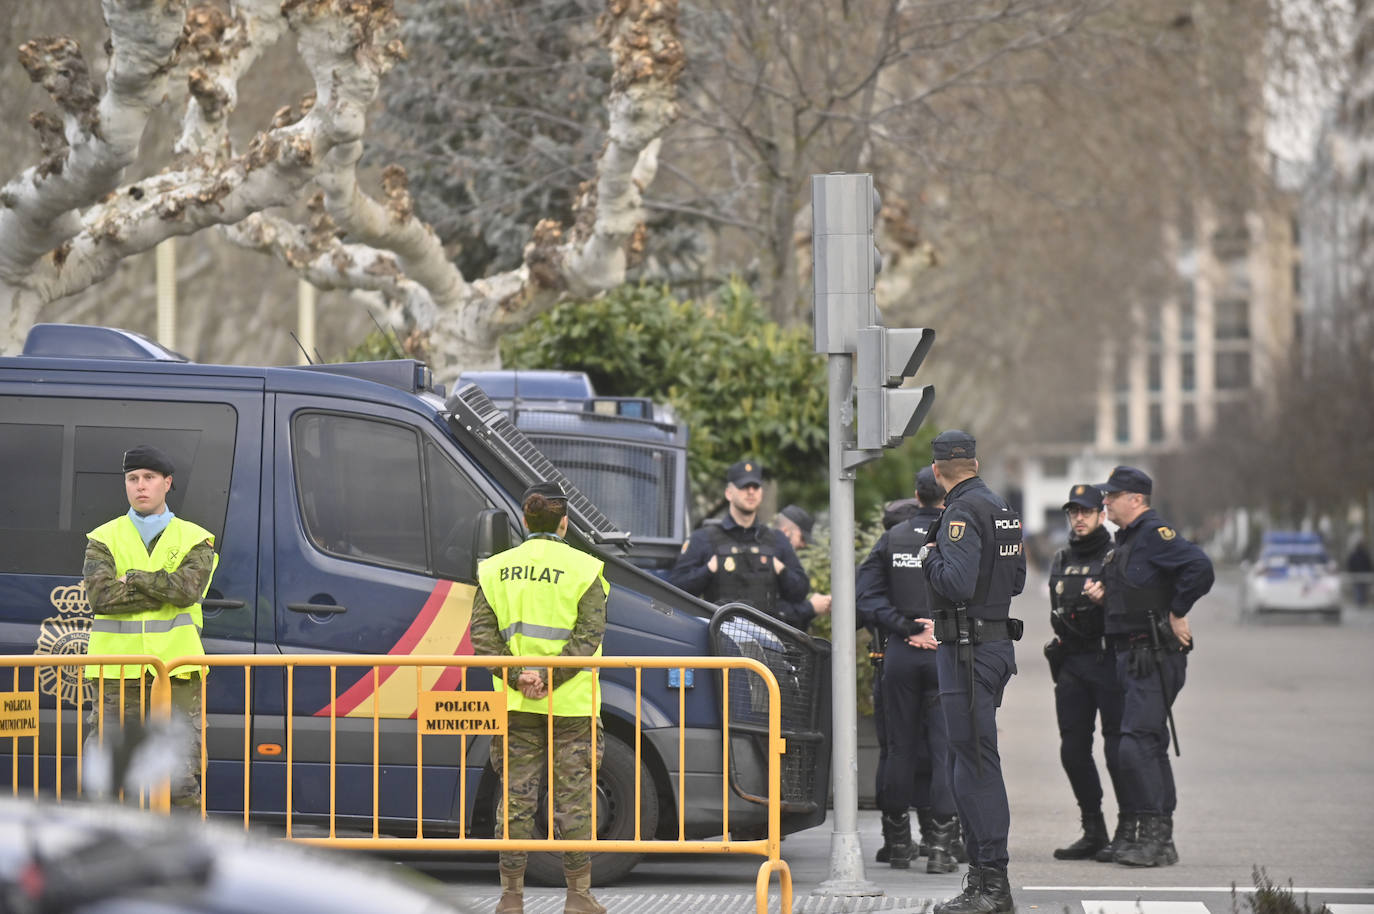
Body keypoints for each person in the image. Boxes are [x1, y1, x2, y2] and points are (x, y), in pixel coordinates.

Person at [470, 482, 611, 914]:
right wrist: (550, 678)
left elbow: (482, 637)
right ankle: (578, 896)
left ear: (524, 521)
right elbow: (589, 636)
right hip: (572, 707)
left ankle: (511, 898)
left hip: (515, 708)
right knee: (574, 801)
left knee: (515, 800)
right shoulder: (586, 569)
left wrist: (520, 679)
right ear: (564, 522)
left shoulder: (494, 569)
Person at [1081, 466, 1213, 868]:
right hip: (1129, 654)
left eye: (1112, 496)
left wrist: (1177, 611)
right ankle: (1147, 832)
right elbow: (1138, 592)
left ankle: (1158, 837)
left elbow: (1201, 569)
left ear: (1135, 499)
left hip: (1152, 655)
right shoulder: (1126, 542)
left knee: (1138, 744)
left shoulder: (1155, 535)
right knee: (1141, 743)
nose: (1105, 502)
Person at [921, 431, 1025, 914]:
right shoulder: (1001, 508)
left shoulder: (960, 512)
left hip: (967, 650)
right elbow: (1018, 579)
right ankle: (982, 878)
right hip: (992, 644)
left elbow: (956, 581)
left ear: (938, 471)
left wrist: (929, 556)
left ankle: (992, 886)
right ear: (976, 463)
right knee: (968, 762)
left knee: (975, 765)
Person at [83, 445, 218, 809]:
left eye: (149, 478)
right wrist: (164, 588)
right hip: (116, 675)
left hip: (176, 677)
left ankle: (181, 863)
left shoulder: (195, 538)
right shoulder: (103, 537)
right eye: (133, 479)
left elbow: (188, 590)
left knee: (180, 782)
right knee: (107, 784)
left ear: (167, 483)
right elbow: (100, 598)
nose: (140, 486)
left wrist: (134, 579)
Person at [857, 467, 962, 873]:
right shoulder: (954, 540)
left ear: (916, 496)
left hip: (900, 652)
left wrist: (906, 627)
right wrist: (937, 627)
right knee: (943, 751)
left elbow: (865, 598)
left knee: (898, 749)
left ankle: (898, 844)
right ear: (943, 497)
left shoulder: (891, 539)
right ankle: (939, 849)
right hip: (944, 653)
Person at [1044, 484, 1128, 861]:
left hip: (1108, 662)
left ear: (1101, 515)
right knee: (1073, 750)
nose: (1079, 518)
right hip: (1073, 664)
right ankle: (1093, 829)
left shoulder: (1117, 555)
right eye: (1073, 511)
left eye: (1086, 511)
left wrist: (1108, 599)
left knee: (1117, 751)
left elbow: (1134, 608)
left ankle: (1128, 829)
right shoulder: (1061, 558)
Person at [667, 460, 809, 624]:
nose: (751, 492)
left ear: (761, 493)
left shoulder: (776, 540)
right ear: (729, 493)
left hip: (768, 637)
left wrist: (781, 570)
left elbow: (800, 591)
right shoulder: (703, 538)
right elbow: (675, 589)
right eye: (744, 486)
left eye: (755, 487)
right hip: (720, 637)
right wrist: (708, 570)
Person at [773, 504, 832, 632]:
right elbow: (773, 611)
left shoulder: (779, 558)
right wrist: (810, 607)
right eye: (802, 538)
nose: (803, 544)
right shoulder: (771, 558)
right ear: (786, 532)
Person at [1347, 540, 1372, 607]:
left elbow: (1350, 564)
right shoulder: (1365, 554)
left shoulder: (1354, 555)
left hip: (1357, 574)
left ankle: (1360, 602)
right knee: (1362, 589)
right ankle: (1362, 602)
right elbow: (1369, 564)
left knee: (1358, 589)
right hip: (1363, 574)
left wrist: (1351, 572)